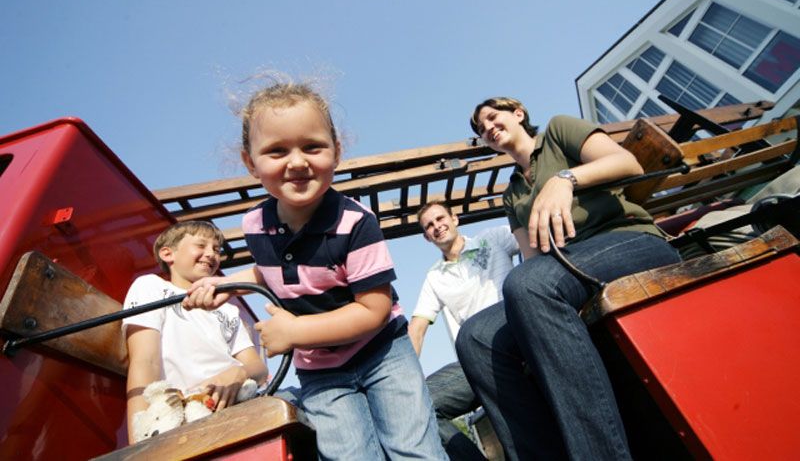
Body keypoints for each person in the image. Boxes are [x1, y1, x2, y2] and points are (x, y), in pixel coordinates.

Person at [183, 81, 447, 460]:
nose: (297, 162)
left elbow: (373, 309)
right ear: (250, 163)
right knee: (348, 456)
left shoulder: (356, 222)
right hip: (320, 371)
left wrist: (294, 331)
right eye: (276, 150)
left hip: (383, 352)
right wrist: (229, 285)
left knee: (413, 449)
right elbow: (271, 273)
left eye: (312, 146)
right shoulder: (256, 225)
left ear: (336, 152)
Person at [455, 97, 682, 460]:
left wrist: (565, 179)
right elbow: (531, 257)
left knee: (530, 285)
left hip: (625, 241)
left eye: (492, 117)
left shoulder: (559, 132)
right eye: (481, 130)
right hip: (566, 268)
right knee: (476, 337)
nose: (488, 128)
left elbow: (628, 162)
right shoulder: (511, 193)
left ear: (518, 113)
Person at [123, 220, 269, 443]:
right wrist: (138, 438)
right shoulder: (151, 287)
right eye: (201, 246)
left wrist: (239, 373)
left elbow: (257, 368)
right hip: (186, 412)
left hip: (238, 405)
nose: (211, 254)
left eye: (216, 250)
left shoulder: (228, 309)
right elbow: (145, 361)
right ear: (167, 253)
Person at [409, 201, 517, 461]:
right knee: (419, 405)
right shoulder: (435, 277)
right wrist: (404, 381)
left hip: (515, 340)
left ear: (454, 218)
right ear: (426, 237)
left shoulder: (493, 239)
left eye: (440, 219)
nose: (437, 227)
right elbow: (417, 328)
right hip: (476, 359)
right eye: (429, 226)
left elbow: (531, 232)